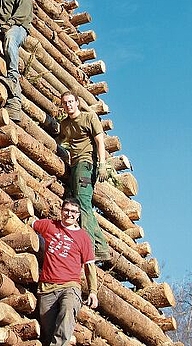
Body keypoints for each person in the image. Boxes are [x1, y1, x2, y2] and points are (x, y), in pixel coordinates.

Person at [33, 198, 98, 346]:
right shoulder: (49, 225)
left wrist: (93, 291)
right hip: (46, 289)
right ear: (61, 211)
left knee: (68, 309)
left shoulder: (83, 237)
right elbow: (29, 224)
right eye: (67, 210)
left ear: (79, 214)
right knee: (49, 333)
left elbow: (90, 267)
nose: (70, 214)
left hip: (70, 286)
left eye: (74, 212)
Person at [56, 91, 111, 261]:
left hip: (86, 164)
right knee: (76, 201)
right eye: (65, 103)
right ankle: (101, 248)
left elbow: (100, 141)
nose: (68, 105)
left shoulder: (89, 117)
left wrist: (101, 164)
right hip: (74, 165)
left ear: (77, 103)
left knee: (82, 203)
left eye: (71, 102)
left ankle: (89, 248)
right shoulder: (65, 124)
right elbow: (60, 140)